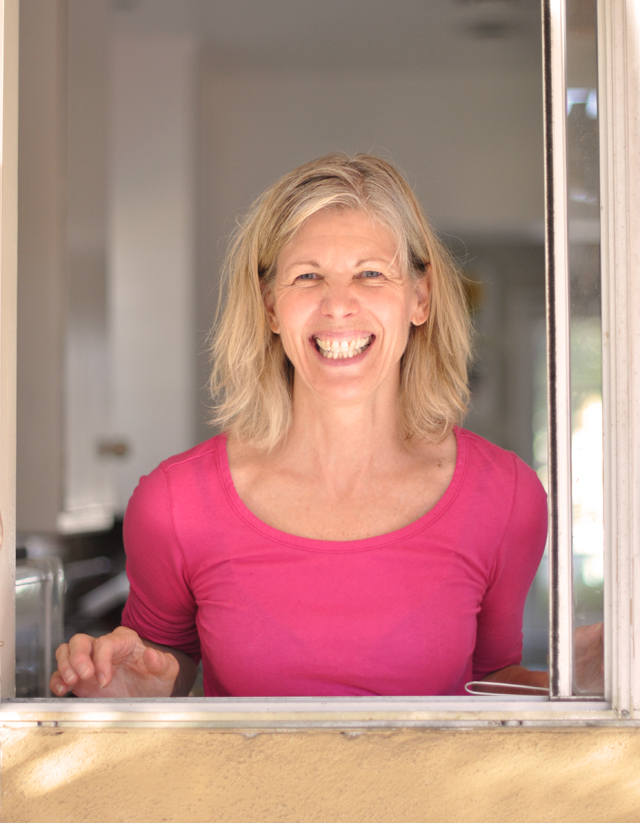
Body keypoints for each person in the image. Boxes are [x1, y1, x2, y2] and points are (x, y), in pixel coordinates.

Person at [50, 153, 603, 699]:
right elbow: (163, 672)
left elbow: (488, 688)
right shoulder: (174, 506)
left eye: (371, 273)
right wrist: (127, 697)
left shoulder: (504, 497)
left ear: (420, 296)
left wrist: (587, 685)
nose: (338, 305)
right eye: (307, 276)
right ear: (270, 305)